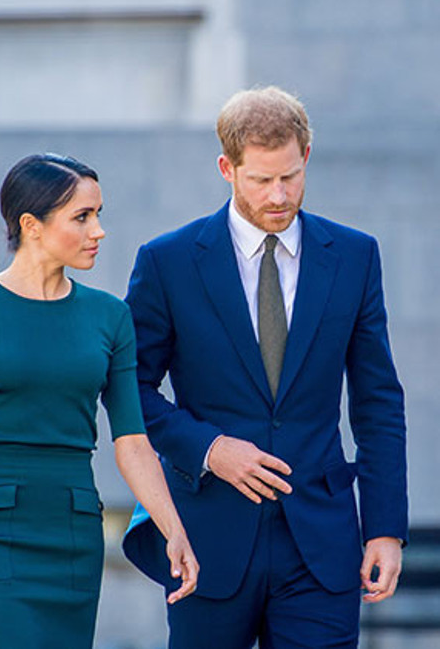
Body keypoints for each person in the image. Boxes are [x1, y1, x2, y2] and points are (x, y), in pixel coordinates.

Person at [122, 86, 408, 648]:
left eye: (291, 176)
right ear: (226, 168)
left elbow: (378, 401)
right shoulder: (167, 262)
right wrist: (210, 448)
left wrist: (384, 528)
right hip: (206, 541)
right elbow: (129, 386)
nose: (278, 195)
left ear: (307, 158)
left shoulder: (355, 256)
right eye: (260, 180)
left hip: (321, 545)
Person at [0, 153, 199, 649]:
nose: (98, 231)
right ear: (31, 225)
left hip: (71, 530)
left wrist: (173, 528)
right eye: (82, 217)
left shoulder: (110, 317)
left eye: (98, 214)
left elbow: (132, 442)